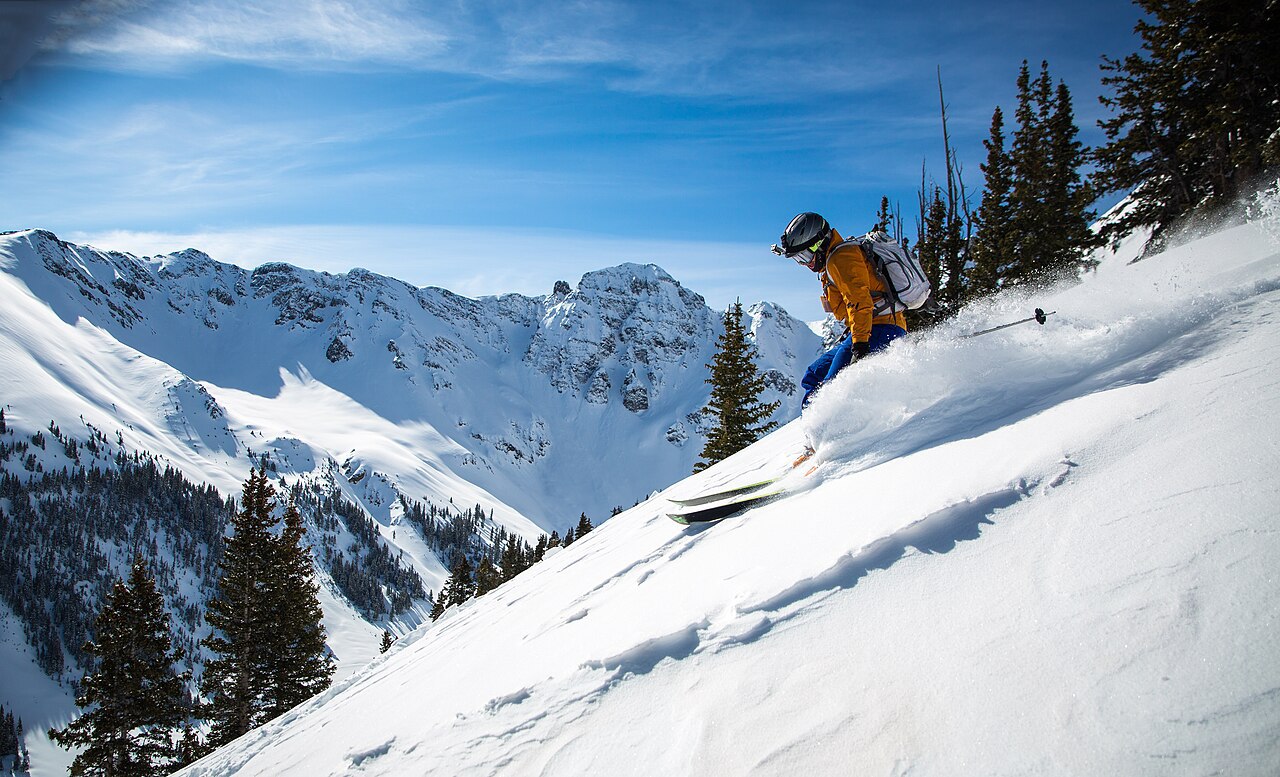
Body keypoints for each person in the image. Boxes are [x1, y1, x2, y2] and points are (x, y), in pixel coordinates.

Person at [772, 212, 907, 405]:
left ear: (819, 243)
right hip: (868, 330)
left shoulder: (841, 258)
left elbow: (859, 300)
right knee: (813, 375)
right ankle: (815, 429)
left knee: (831, 388)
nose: (805, 263)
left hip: (879, 330)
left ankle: (839, 431)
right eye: (799, 259)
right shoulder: (832, 261)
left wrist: (860, 345)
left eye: (805, 255)